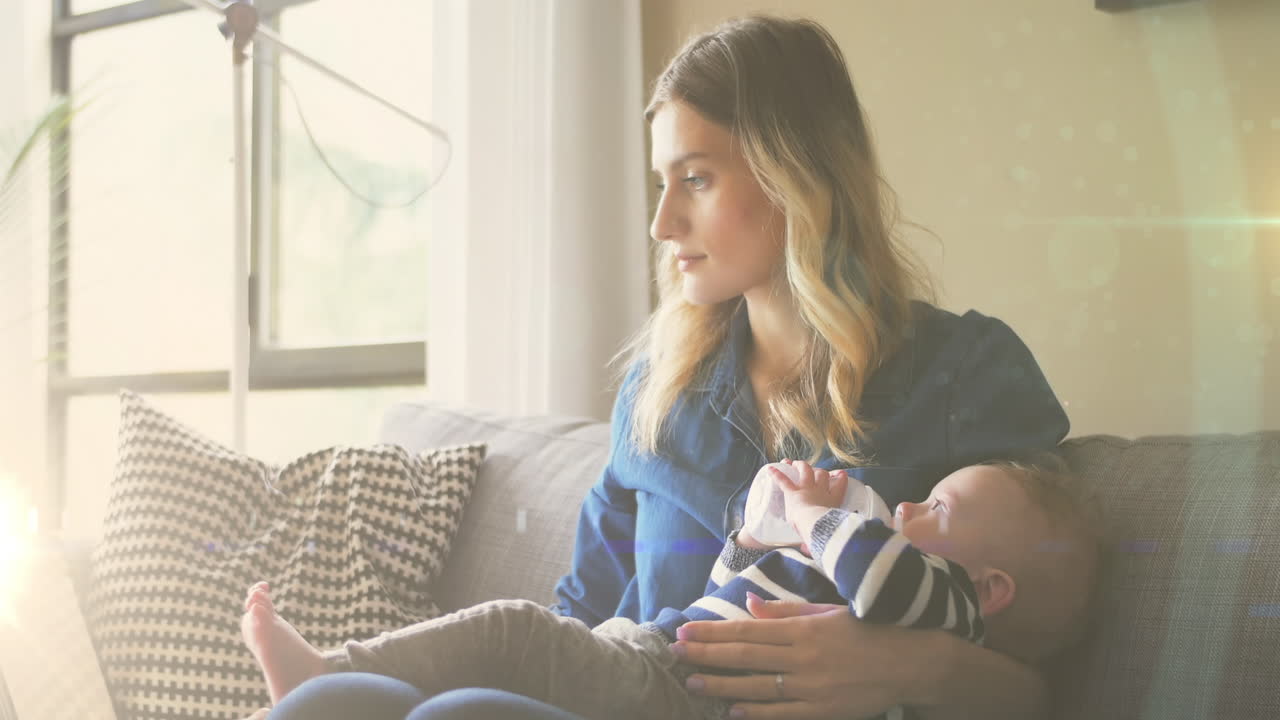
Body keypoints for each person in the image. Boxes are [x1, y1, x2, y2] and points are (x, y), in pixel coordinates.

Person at [265, 14, 1074, 720]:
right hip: (636, 696)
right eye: (661, 182)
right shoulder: (659, 392)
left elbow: (1054, 685)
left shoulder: (966, 375)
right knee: (339, 702)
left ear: (797, 174)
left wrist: (909, 666)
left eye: (696, 178)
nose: (661, 222)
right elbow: (576, 621)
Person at [243, 457, 1099, 720]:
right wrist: (757, 533)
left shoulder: (944, 603)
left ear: (992, 589)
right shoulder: (659, 387)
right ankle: (324, 676)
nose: (909, 502)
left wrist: (810, 512)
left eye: (939, 504)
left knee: (472, 686)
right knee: (348, 706)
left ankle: (327, 666)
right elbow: (721, 589)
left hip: (675, 692)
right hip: (649, 653)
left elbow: (874, 579)